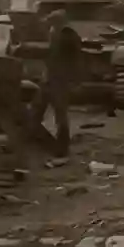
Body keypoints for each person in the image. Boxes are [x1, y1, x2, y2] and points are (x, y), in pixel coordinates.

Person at [32, 9, 81, 157]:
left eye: (52, 23)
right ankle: (39, 141)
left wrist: (73, 80)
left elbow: (76, 60)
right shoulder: (56, 33)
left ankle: (62, 148)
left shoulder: (68, 36)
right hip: (49, 78)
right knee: (36, 112)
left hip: (60, 80)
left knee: (60, 115)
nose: (50, 26)